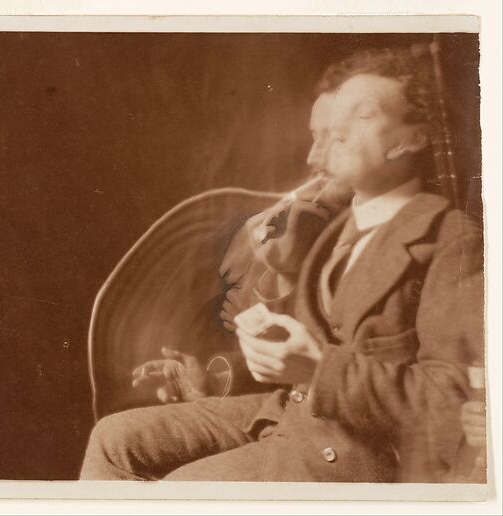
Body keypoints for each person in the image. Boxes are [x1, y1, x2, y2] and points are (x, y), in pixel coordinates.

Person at [80, 47, 484, 482]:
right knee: (113, 439)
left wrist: (318, 371)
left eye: (362, 115)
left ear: (414, 138)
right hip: (292, 414)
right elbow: (297, 362)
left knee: (178, 491)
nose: (336, 134)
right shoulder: (334, 233)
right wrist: (214, 379)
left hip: (359, 452)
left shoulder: (450, 239)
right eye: (334, 121)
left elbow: (454, 404)